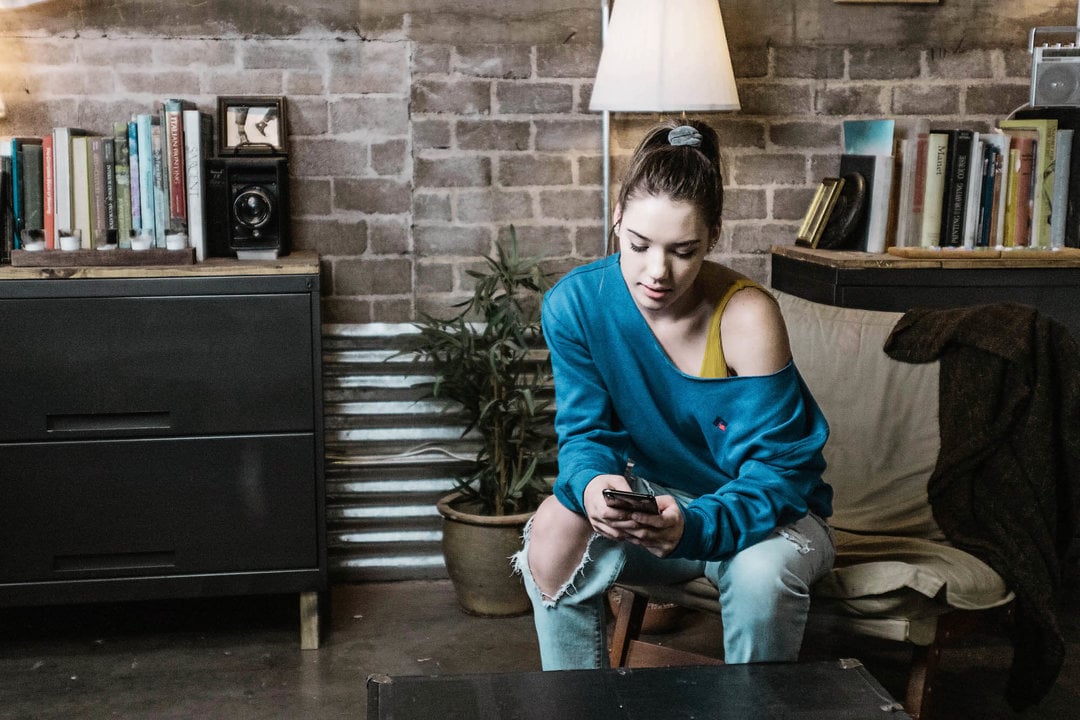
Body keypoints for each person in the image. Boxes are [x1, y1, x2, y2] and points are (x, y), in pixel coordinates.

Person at [513, 119, 836, 670]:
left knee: (761, 577)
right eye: (639, 245)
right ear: (617, 219)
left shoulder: (748, 316)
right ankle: (574, 708)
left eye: (684, 251)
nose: (656, 272)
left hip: (764, 520)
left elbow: (781, 474)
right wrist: (594, 487)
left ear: (713, 236)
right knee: (552, 528)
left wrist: (695, 525)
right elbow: (585, 435)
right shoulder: (575, 306)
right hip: (656, 512)